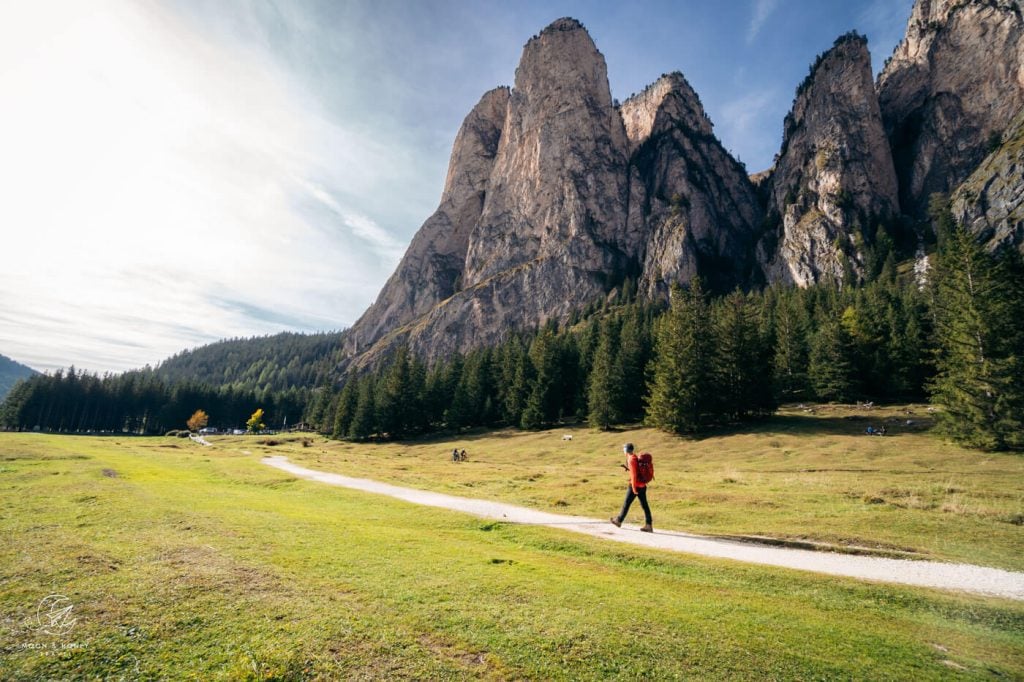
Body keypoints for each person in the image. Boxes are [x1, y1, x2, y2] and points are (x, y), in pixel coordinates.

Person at [609, 442, 653, 532]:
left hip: (635, 486)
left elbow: (634, 475)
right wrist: (628, 468)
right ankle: (649, 525)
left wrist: (633, 488)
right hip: (642, 485)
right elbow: (636, 470)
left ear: (626, 450)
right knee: (645, 506)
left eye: (624, 449)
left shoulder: (631, 459)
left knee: (626, 504)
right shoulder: (634, 457)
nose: (623, 450)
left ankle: (618, 521)